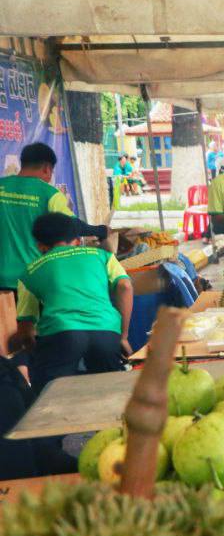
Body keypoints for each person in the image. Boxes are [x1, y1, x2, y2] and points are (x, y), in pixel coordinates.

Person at [12, 213, 131, 394]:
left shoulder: (30, 271)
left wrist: (30, 347)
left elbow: (26, 326)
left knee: (49, 398)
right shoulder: (103, 256)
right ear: (76, 240)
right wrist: (122, 336)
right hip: (106, 332)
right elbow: (125, 285)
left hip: (61, 335)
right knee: (111, 394)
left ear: (40, 247)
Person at [0, 143, 75, 296]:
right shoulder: (50, 194)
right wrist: (101, 230)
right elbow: (72, 226)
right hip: (31, 282)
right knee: (27, 321)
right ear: (47, 168)